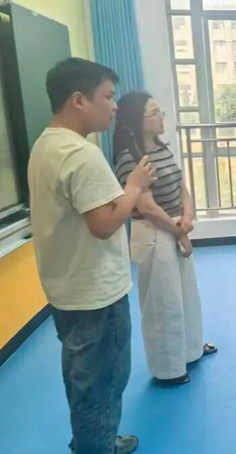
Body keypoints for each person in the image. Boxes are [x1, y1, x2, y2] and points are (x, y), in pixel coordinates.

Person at [29, 58, 156, 454]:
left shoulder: (46, 144)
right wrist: (134, 186)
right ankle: (98, 445)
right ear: (79, 100)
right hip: (96, 295)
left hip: (67, 290)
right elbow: (103, 224)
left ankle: (94, 440)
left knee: (83, 379)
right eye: (108, 96)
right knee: (103, 383)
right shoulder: (81, 154)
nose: (115, 106)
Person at [113, 92, 217, 386]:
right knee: (163, 302)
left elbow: (182, 187)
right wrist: (180, 233)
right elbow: (146, 207)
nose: (161, 117)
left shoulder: (162, 148)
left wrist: (187, 216)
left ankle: (191, 350)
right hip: (153, 232)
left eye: (160, 111)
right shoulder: (130, 160)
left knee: (186, 293)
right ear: (136, 120)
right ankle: (168, 369)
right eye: (154, 113)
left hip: (174, 225)